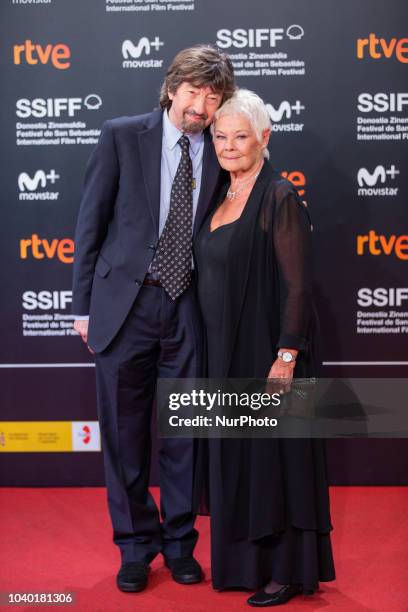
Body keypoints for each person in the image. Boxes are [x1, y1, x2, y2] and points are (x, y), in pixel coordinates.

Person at [71, 45, 235, 593]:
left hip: (189, 307)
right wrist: (82, 308)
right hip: (124, 306)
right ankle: (136, 547)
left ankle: (180, 543)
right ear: (171, 89)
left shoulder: (220, 146)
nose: (201, 106)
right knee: (124, 433)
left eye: (213, 97)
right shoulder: (121, 134)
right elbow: (90, 224)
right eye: (193, 91)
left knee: (186, 432)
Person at [194, 89, 335, 606]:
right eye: (220, 136)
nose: (229, 146)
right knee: (237, 461)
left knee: (274, 461)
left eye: (241, 137)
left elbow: (299, 285)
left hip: (267, 352)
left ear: (264, 139)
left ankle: (287, 571)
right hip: (221, 351)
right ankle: (243, 566)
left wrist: (287, 355)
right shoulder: (216, 195)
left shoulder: (278, 196)